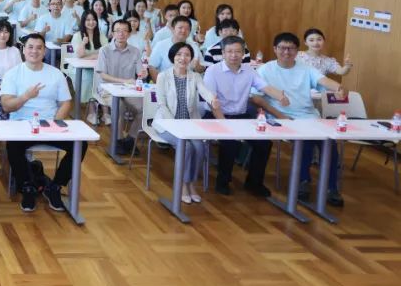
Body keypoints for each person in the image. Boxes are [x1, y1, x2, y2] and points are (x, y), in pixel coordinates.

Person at [254, 32, 347, 207]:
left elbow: (324, 80)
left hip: (309, 116)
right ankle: (303, 181)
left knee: (330, 143)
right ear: (275, 49)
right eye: (282, 48)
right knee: (305, 141)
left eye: (291, 49)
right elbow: (256, 98)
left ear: (297, 51)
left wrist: (338, 87)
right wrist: (280, 115)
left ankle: (331, 188)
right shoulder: (265, 69)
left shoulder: (306, 68)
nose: (286, 52)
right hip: (280, 117)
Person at [1, 34, 82, 213]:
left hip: (49, 124)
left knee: (80, 144)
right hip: (22, 124)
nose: (34, 51)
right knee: (13, 146)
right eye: (30, 47)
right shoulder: (13, 74)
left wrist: (55, 123)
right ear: (23, 50)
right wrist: (25, 96)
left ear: (45, 51)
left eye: (39, 48)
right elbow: (6, 106)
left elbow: (65, 103)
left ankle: (55, 186)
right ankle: (27, 187)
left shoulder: (56, 74)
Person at [202, 36, 289, 197]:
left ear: (243, 53)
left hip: (240, 116)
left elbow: (265, 87)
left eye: (237, 51)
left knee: (264, 144)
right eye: (229, 51)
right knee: (230, 143)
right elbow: (212, 102)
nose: (233, 55)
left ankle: (254, 183)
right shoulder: (212, 71)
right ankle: (223, 181)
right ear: (223, 53)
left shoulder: (249, 70)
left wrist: (280, 97)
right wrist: (224, 124)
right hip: (216, 115)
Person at [152, 42, 218, 203]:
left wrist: (212, 100)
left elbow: (205, 91)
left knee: (200, 147)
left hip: (189, 124)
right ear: (173, 57)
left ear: (191, 58)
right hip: (167, 124)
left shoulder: (195, 76)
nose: (183, 58)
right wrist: (174, 125)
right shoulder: (163, 76)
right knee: (186, 147)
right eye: (179, 54)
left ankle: (191, 184)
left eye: (187, 55)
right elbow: (161, 104)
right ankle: (182, 185)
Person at [93, 19, 146, 142]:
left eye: (124, 31)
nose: (121, 34)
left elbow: (140, 73)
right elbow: (103, 75)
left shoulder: (135, 51)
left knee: (145, 108)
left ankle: (130, 139)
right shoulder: (104, 50)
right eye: (117, 31)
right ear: (112, 33)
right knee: (119, 107)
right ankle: (118, 141)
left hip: (128, 90)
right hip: (107, 89)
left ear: (129, 34)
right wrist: (125, 81)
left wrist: (143, 74)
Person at [70, 10, 107, 106]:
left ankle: (103, 105)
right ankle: (91, 105)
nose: (91, 22)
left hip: (97, 67)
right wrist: (83, 43)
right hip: (80, 68)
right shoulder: (77, 35)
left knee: (104, 77)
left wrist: (90, 56)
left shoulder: (101, 35)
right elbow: (79, 56)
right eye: (88, 20)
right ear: (83, 21)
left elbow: (105, 53)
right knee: (89, 77)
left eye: (93, 19)